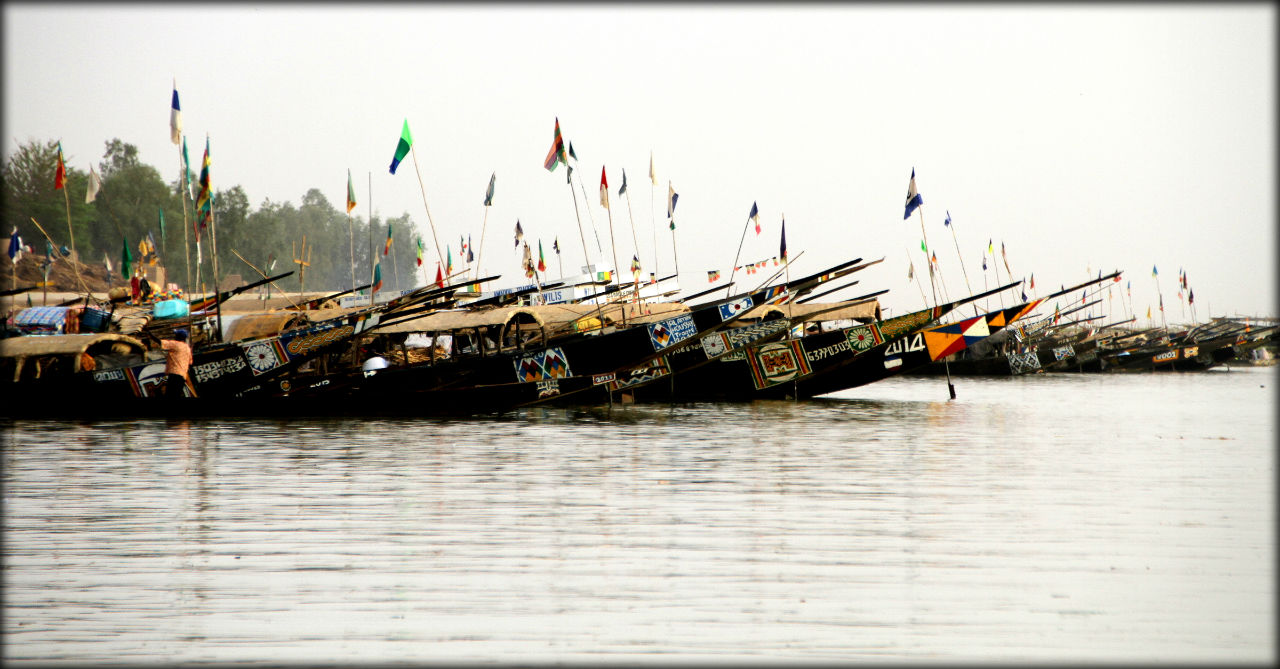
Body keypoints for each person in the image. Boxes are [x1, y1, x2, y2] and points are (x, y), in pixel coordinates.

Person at [161, 328, 194, 398]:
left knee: (170, 395)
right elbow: (190, 362)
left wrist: (151, 335)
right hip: (182, 376)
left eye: (176, 335)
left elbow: (161, 343)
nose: (174, 336)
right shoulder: (187, 348)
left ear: (178, 337)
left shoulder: (176, 344)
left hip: (175, 374)